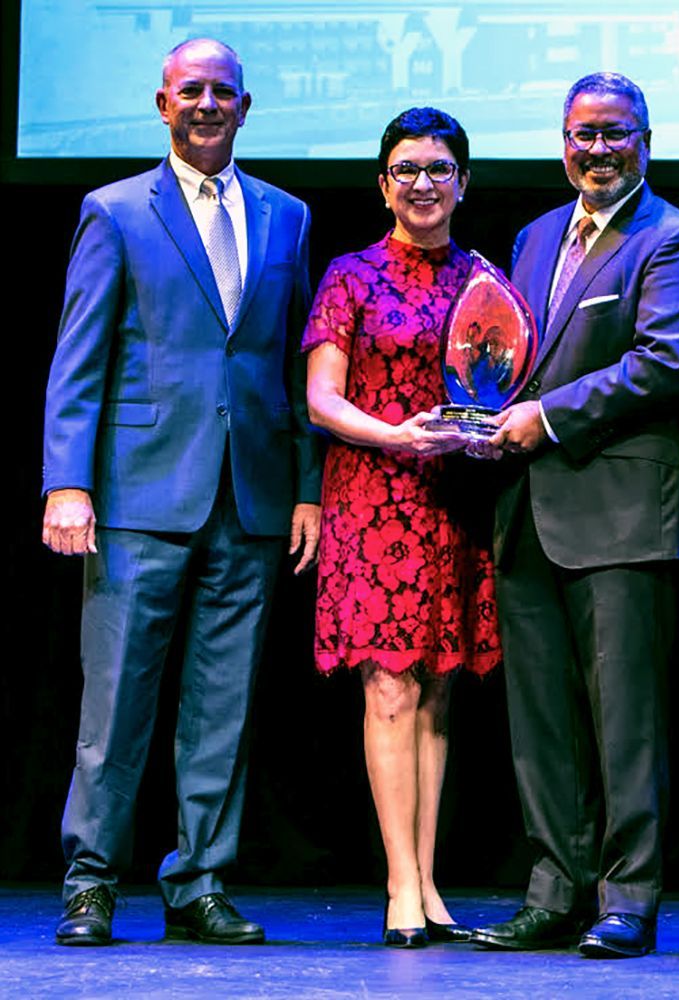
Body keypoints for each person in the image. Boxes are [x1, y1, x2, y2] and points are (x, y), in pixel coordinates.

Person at [42, 38, 322, 946]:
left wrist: (307, 489)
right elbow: (79, 361)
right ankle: (91, 880)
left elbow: (288, 364)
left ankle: (198, 881)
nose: (207, 105)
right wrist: (67, 484)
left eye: (223, 93)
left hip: (250, 499)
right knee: (116, 700)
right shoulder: (114, 210)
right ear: (162, 104)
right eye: (190, 91)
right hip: (137, 499)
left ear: (247, 108)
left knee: (223, 701)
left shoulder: (285, 216)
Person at [468, 73, 679, 959]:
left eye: (616, 134)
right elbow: (513, 356)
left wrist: (547, 416)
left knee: (625, 721)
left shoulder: (677, 238)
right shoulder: (536, 236)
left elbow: (667, 362)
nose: (599, 150)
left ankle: (628, 898)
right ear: (563, 140)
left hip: (620, 510)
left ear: (646, 140)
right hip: (527, 507)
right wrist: (478, 414)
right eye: (584, 135)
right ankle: (553, 889)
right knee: (540, 723)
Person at [301, 108, 501, 948]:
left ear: (463, 181)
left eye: (439, 168)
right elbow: (321, 397)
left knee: (438, 690)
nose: (424, 183)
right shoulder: (350, 275)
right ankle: (399, 888)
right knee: (389, 687)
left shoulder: (486, 281)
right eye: (406, 169)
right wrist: (395, 435)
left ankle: (429, 880)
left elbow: (497, 386)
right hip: (372, 497)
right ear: (384, 184)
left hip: (453, 502)